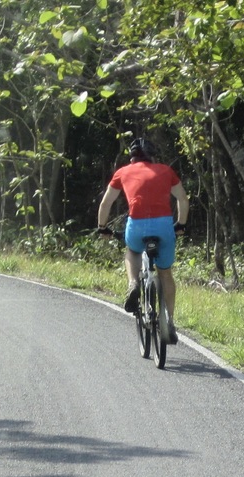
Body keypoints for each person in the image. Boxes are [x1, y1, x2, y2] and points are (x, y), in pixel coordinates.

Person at [97, 137, 189, 343]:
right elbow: (183, 199)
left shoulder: (122, 172)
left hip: (137, 224)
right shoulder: (165, 170)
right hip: (164, 226)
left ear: (131, 158)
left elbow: (106, 203)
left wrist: (102, 227)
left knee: (132, 250)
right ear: (152, 157)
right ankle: (169, 322)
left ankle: (133, 283)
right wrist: (181, 224)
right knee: (165, 273)